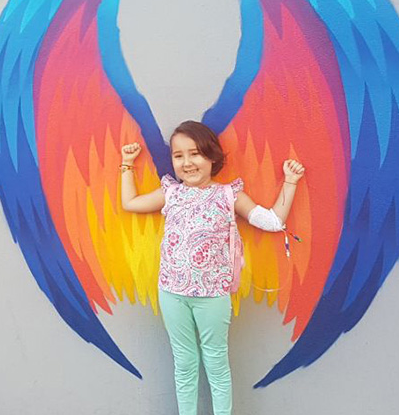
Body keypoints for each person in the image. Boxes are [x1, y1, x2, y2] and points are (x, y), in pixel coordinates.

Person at [119, 121, 304, 415]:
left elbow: (271, 222)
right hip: (172, 292)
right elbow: (130, 203)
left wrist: (290, 182)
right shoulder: (171, 193)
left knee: (216, 363)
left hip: (212, 296)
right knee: (185, 363)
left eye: (195, 154)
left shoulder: (229, 195)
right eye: (178, 156)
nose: (187, 162)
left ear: (212, 157)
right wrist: (127, 165)